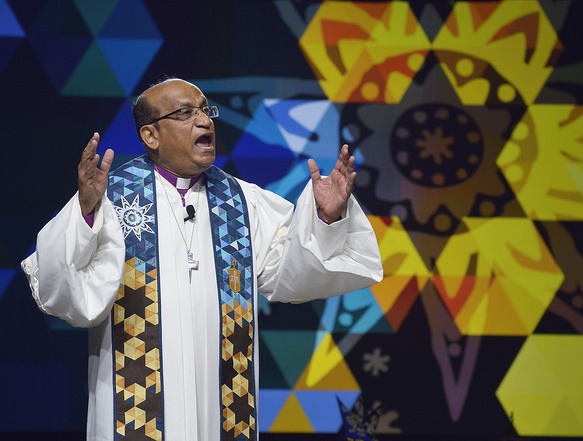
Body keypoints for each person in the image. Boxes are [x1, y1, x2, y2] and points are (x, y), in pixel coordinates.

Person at [21, 78, 383, 441]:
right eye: (185, 113)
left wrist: (326, 218)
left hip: (222, 409)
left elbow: (293, 271)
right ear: (151, 136)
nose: (205, 121)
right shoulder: (111, 199)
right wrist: (84, 211)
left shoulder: (241, 202)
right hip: (135, 408)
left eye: (206, 110)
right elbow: (60, 287)